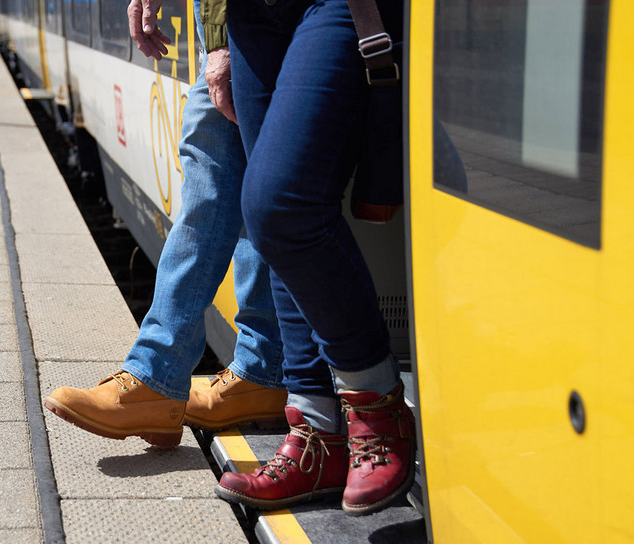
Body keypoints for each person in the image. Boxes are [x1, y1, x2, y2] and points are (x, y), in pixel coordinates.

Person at [125, 0, 415, 516]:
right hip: (250, 15)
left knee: (279, 205)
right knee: (269, 227)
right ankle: (316, 433)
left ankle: (377, 404)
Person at [42, 0, 287, 448]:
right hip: (231, 24)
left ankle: (159, 373)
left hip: (244, 22)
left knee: (217, 187)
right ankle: (259, 369)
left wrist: (221, 43)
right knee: (248, 190)